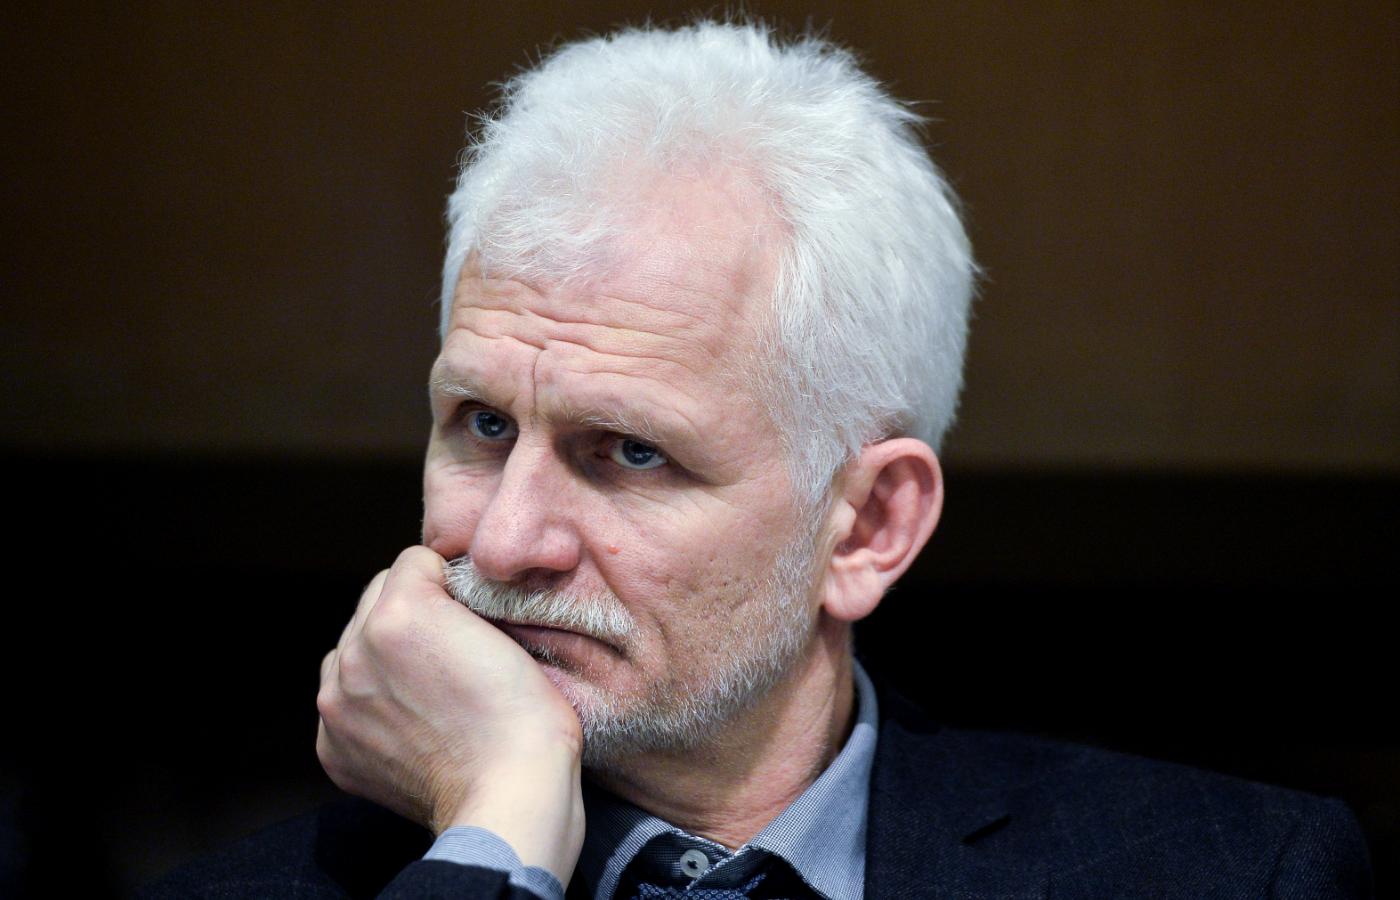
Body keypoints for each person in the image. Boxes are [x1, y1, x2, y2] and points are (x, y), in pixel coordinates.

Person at [147, 20, 1372, 898]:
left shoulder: (1225, 873)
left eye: (630, 452)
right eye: (482, 425)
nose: (505, 541)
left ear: (868, 526)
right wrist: (497, 832)